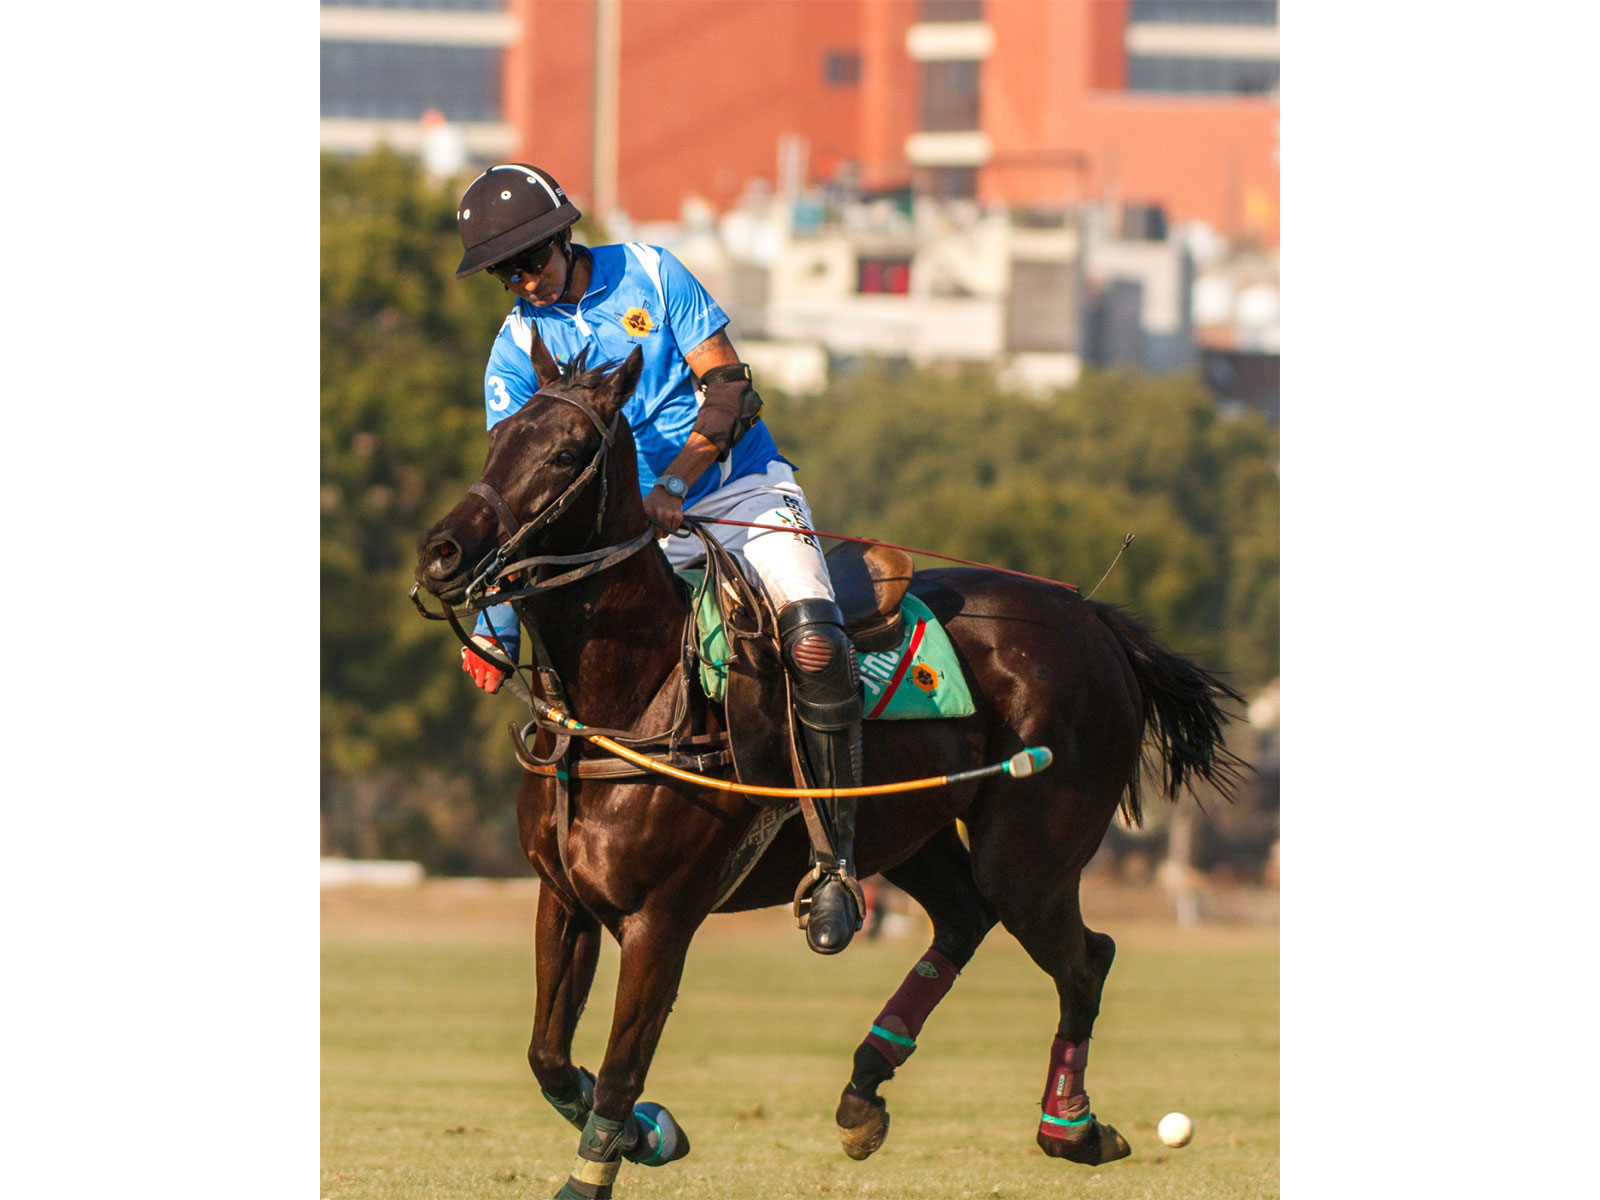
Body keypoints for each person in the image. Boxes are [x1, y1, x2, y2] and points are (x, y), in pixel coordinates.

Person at [452, 163, 862, 954]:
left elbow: (731, 389)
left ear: (561, 239)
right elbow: (518, 496)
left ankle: (835, 858)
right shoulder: (514, 351)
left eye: (527, 263)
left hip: (739, 493)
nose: (520, 283)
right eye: (503, 274)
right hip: (628, 539)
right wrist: (495, 623)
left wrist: (679, 478)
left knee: (814, 637)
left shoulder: (649, 272)